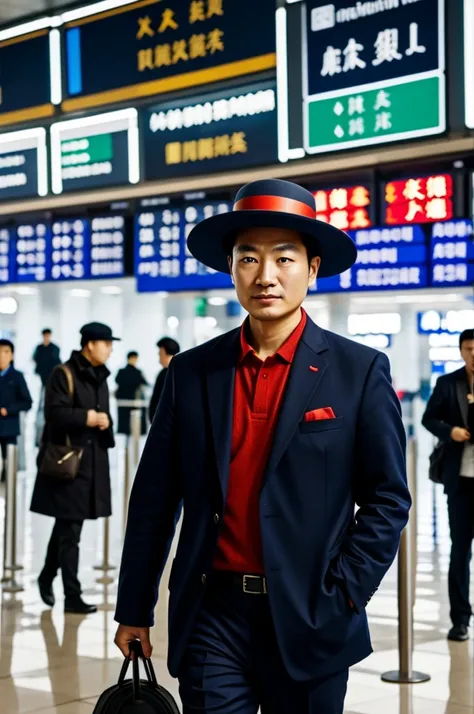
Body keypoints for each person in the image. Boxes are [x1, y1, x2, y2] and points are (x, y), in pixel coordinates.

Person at [114, 179, 410, 714]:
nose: (266, 276)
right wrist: (134, 606)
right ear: (230, 268)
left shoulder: (358, 371)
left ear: (312, 268)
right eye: (248, 258)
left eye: (284, 258)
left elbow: (388, 497)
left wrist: (344, 592)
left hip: (311, 612)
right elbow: (155, 498)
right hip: (213, 612)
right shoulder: (191, 372)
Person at [31, 322, 120, 615]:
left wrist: (104, 422)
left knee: (67, 528)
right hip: (69, 466)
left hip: (91, 467)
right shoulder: (63, 373)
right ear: (90, 344)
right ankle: (72, 595)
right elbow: (53, 414)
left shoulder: (101, 376)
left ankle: (46, 576)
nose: (109, 349)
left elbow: (103, 417)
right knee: (71, 531)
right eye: (106, 343)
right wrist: (88, 418)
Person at [422, 328, 474, 642]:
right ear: (461, 351)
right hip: (460, 482)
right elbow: (430, 419)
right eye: (468, 349)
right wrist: (450, 431)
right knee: (460, 551)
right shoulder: (447, 383)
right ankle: (460, 619)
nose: (473, 354)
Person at [0, 339, 32, 482]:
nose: (2, 356)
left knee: (9, 459)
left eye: (6, 352)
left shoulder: (17, 377)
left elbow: (27, 402)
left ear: (12, 355)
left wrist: (8, 410)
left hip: (9, 427)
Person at [115, 351, 148, 436]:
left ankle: (126, 448)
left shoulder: (122, 372)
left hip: (124, 404)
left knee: (126, 430)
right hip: (133, 404)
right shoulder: (137, 372)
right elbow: (145, 383)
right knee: (133, 429)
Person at [148, 337, 180, 422]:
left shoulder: (166, 373)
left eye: (159, 353)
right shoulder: (178, 371)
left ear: (163, 350)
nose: (158, 356)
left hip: (164, 423)